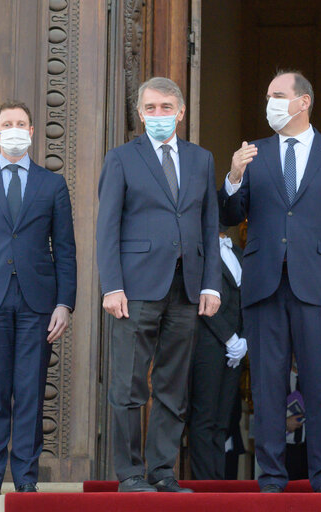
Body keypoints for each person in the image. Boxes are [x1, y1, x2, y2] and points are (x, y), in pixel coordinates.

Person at [219, 70, 321, 493]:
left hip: (320, 289)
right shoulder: (253, 153)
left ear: (303, 102)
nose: (270, 102)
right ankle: (272, 479)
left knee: (320, 384)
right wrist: (232, 177)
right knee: (267, 387)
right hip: (264, 284)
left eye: (278, 95)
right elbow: (230, 216)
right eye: (268, 95)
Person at [97, 77, 221, 493]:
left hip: (186, 288)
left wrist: (211, 285)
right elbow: (107, 227)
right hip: (135, 289)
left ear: (181, 112)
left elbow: (209, 225)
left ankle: (163, 471)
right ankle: (131, 473)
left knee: (172, 385)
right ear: (140, 113)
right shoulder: (121, 159)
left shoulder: (201, 160)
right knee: (128, 384)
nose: (158, 116)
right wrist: (111, 285)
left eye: (166, 108)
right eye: (150, 108)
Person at [0, 100, 77, 494]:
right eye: (8, 123)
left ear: (32, 130)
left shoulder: (52, 184)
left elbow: (66, 250)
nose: (15, 129)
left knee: (29, 391)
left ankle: (25, 479)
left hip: (37, 303)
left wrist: (64, 303)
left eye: (22, 123)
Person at [188, 227, 247, 480]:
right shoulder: (201, 252)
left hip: (236, 350)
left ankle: (219, 480)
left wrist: (244, 339)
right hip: (208, 344)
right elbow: (202, 299)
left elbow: (248, 298)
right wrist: (229, 338)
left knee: (224, 420)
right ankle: (204, 483)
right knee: (204, 418)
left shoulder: (241, 253)